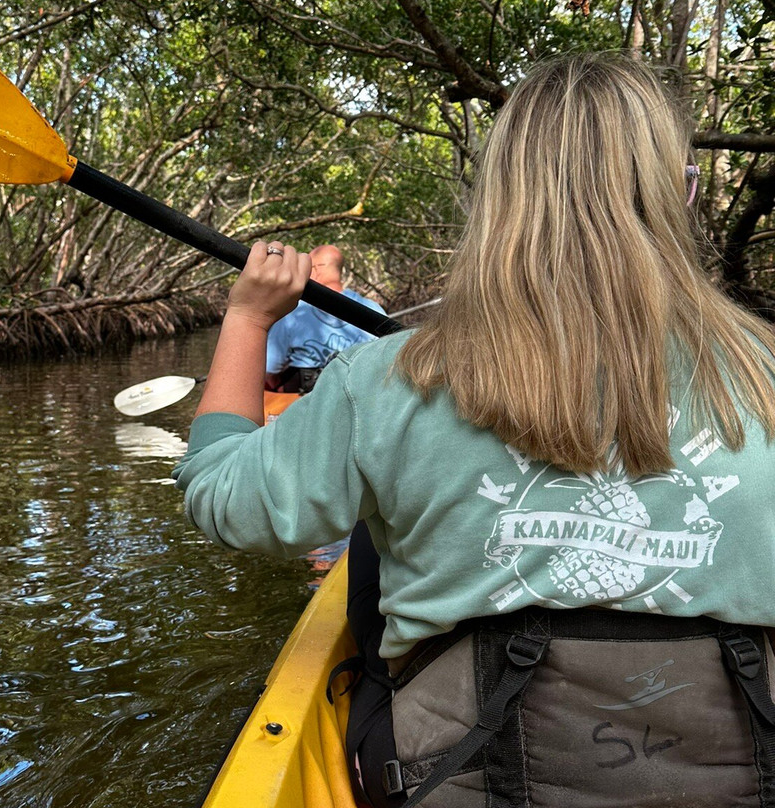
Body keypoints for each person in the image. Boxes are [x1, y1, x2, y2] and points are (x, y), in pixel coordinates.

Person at [173, 53, 775, 808]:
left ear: (500, 199)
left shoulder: (387, 379)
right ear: (677, 197)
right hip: (744, 773)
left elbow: (220, 497)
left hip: (458, 775)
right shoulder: (766, 372)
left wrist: (246, 319)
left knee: (369, 535)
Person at [265, 244, 385, 393]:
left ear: (316, 269)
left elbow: (269, 367)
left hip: (306, 402)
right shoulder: (373, 309)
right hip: (363, 398)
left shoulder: (292, 311)